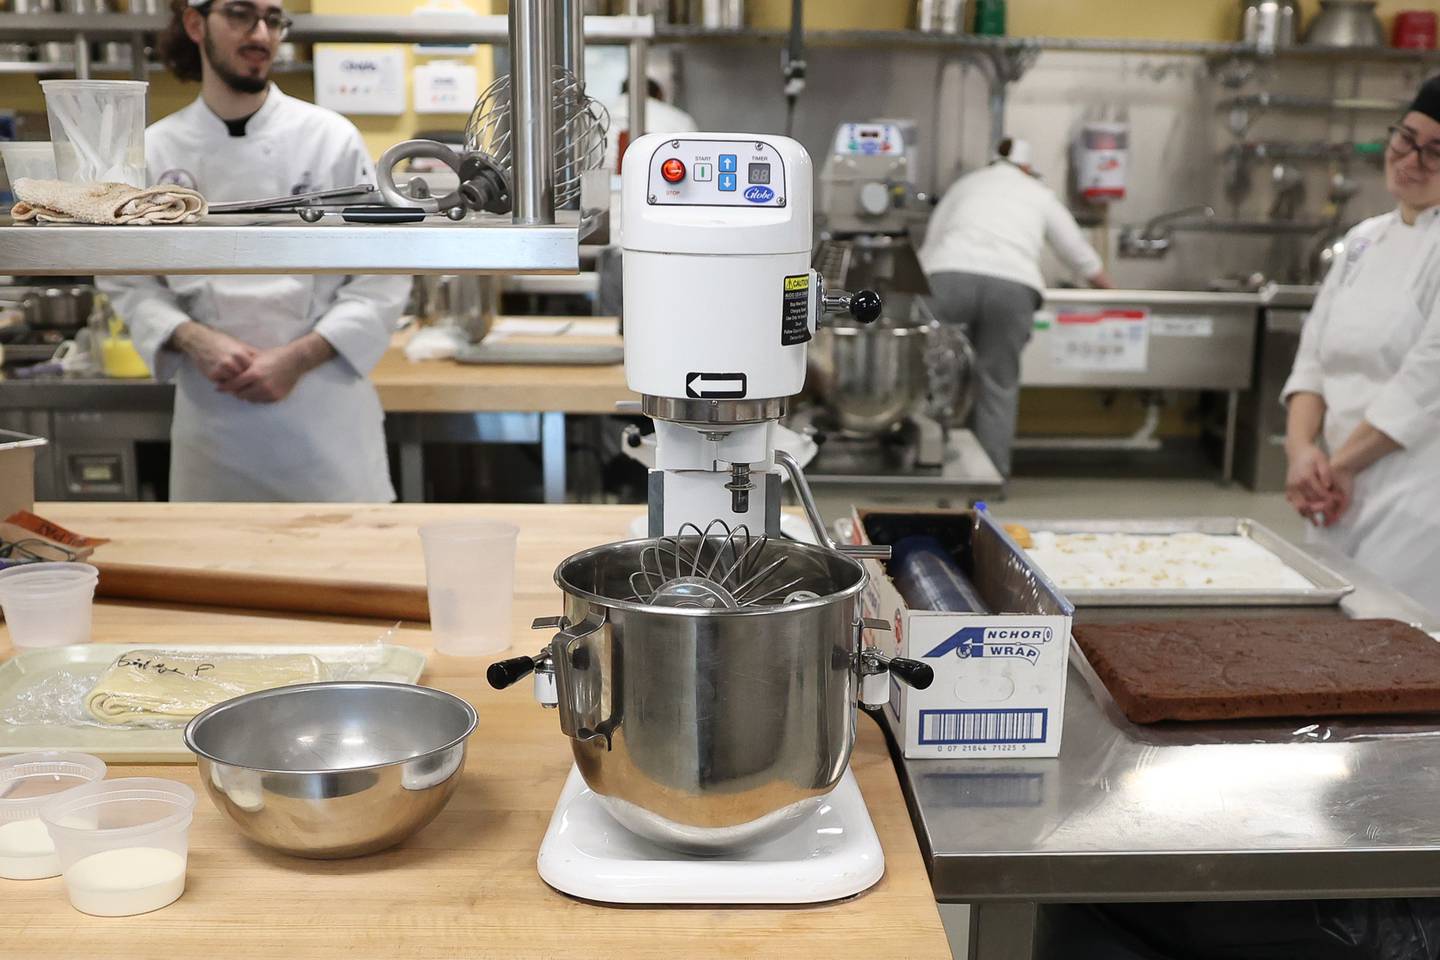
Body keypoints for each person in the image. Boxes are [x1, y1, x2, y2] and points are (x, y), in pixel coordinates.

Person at [99, 0, 410, 502]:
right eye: (241, 15)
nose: (261, 34)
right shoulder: (154, 150)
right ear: (195, 23)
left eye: (273, 19)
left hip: (325, 431)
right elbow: (125, 280)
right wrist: (195, 338)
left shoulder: (332, 139)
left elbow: (383, 276)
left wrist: (295, 358)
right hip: (215, 432)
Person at [1282, 75, 1440, 617]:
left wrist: (1338, 466)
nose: (1413, 160)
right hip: (1333, 490)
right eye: (1406, 139)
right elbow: (1312, 362)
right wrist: (1303, 455)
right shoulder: (1363, 239)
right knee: (1326, 637)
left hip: (1414, 494)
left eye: (1437, 151)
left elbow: (1424, 385)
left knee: (1394, 642)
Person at [920, 137, 1115, 478]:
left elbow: (931, 244)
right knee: (998, 382)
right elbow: (1077, 252)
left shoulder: (965, 185)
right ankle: (990, 479)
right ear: (1027, 167)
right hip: (1012, 285)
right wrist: (1110, 289)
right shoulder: (1038, 193)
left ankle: (925, 464)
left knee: (936, 378)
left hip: (949, 277)